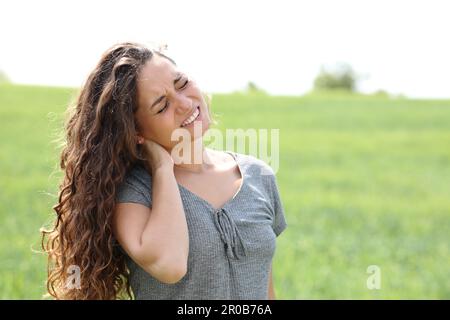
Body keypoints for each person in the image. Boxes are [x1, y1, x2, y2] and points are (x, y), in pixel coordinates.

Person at [41, 42, 287, 300]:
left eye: (181, 83)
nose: (184, 103)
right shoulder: (133, 194)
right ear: (136, 132)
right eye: (162, 106)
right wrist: (162, 168)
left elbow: (265, 289)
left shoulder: (258, 176)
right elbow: (170, 265)